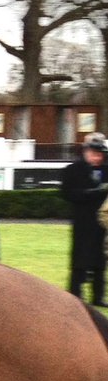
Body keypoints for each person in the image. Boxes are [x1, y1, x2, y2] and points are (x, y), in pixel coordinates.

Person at [62, 131, 108, 305]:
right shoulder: (73, 170)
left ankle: (98, 296)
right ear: (85, 151)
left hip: (102, 223)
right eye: (94, 154)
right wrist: (91, 193)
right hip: (82, 222)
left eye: (100, 155)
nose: (97, 158)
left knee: (100, 260)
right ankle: (75, 293)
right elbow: (67, 193)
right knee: (79, 259)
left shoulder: (106, 169)